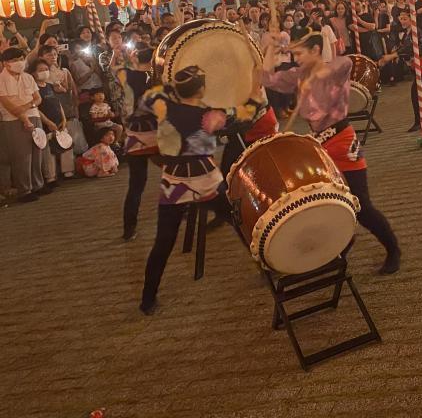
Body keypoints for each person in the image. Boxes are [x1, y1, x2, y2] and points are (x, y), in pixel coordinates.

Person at [262, 34, 400, 275]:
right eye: (295, 55)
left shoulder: (333, 70)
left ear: (316, 50)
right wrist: (269, 51)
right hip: (319, 147)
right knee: (326, 201)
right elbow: (266, 79)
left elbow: (347, 62)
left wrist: (318, 66)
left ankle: (393, 249)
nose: (297, 59)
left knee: (362, 205)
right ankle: (341, 245)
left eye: (301, 54)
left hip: (343, 142)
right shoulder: (298, 75)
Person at [134, 65, 261, 314]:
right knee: (241, 220)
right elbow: (247, 114)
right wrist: (256, 86)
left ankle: (147, 299)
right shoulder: (209, 115)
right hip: (206, 182)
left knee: (163, 242)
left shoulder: (163, 108)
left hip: (174, 184)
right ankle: (267, 266)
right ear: (202, 88)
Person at [379, 10, 422, 132]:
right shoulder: (406, 33)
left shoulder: (416, 31)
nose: (402, 20)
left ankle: (419, 121)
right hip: (417, 64)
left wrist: (392, 56)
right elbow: (403, 47)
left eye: (405, 18)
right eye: (401, 18)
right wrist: (395, 54)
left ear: (411, 19)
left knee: (415, 91)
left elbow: (410, 48)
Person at [120, 47, 156, 241]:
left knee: (136, 185)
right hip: (157, 134)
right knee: (176, 174)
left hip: (134, 134)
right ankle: (182, 210)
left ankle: (129, 228)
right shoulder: (158, 79)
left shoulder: (128, 76)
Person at [0, 47, 44, 203]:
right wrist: (24, 117)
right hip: (13, 121)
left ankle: (38, 185)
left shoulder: (27, 77)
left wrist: (28, 107)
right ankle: (25, 190)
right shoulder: (2, 79)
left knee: (37, 153)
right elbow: (8, 104)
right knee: (22, 157)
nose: (19, 63)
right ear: (5, 63)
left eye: (21, 59)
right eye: (14, 60)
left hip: (34, 116)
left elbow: (38, 98)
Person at [31, 59, 66, 190]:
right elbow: (36, 109)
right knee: (47, 153)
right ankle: (50, 178)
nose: (44, 72)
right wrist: (48, 122)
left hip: (58, 122)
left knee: (61, 148)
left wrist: (63, 118)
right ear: (34, 73)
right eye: (40, 70)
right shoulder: (34, 88)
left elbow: (58, 104)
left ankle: (62, 173)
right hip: (45, 125)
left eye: (46, 69)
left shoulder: (50, 86)